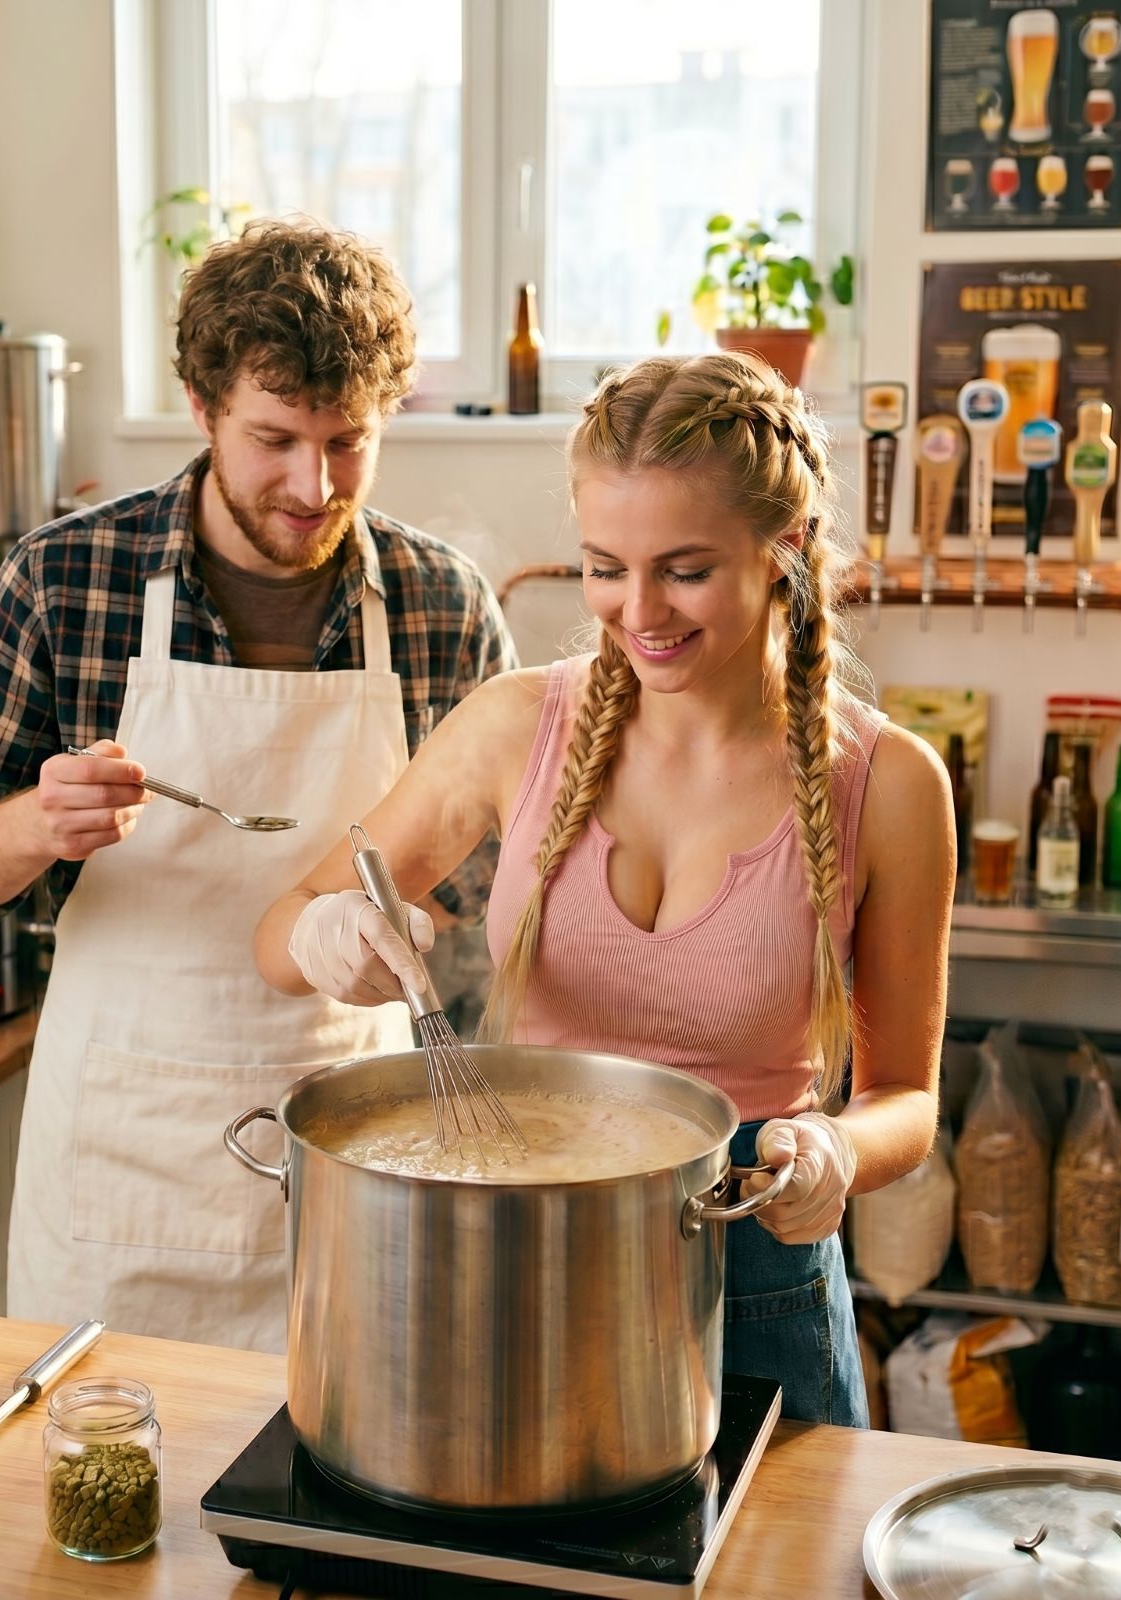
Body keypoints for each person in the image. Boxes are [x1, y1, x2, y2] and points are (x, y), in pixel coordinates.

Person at [256, 351, 955, 1424]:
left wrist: (832, 1151)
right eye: (602, 566)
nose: (638, 612)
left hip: (756, 1269)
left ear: (787, 550)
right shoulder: (512, 724)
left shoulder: (891, 783)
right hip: (524, 1262)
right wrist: (326, 939)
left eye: (683, 569)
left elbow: (905, 1095)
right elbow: (282, 924)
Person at [0, 220, 515, 1351]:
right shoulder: (67, 577)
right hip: (125, 1159)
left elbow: (500, 858)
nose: (311, 484)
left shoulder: (441, 603)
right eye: (273, 438)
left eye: (348, 443)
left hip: (357, 1130)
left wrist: (396, 925)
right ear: (201, 407)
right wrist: (39, 822)